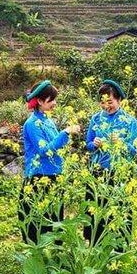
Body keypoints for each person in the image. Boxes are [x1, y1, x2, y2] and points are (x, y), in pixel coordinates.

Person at [19, 80, 80, 244]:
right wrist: (65, 132)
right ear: (40, 101)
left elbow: (57, 146)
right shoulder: (32, 124)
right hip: (39, 176)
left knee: (54, 219)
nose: (55, 103)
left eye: (55, 99)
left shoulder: (48, 121)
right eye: (51, 100)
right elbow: (44, 151)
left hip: (54, 174)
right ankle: (35, 253)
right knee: (36, 221)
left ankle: (55, 254)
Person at [84, 80, 137, 246]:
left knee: (119, 211)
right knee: (96, 209)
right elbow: (88, 144)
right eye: (103, 102)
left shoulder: (129, 121)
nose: (106, 106)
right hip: (98, 171)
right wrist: (94, 144)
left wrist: (120, 143)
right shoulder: (96, 119)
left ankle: (120, 246)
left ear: (119, 100)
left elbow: (134, 150)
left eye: (110, 102)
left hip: (120, 172)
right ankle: (95, 245)